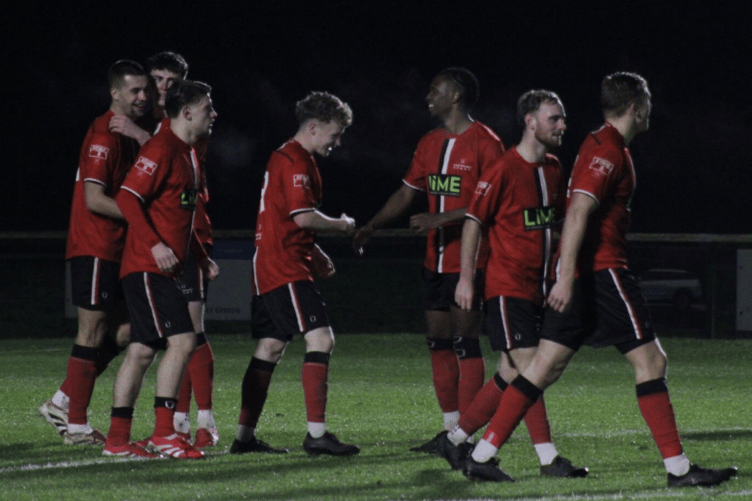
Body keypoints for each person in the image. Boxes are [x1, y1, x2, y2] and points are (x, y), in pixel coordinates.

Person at [458, 72, 737, 488]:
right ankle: (679, 469)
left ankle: (481, 454)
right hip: (603, 272)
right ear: (636, 108)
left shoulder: (598, 145)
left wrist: (563, 274)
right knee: (652, 362)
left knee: (542, 367)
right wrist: (566, 275)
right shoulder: (606, 150)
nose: (650, 111)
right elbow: (578, 213)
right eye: (649, 104)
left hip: (585, 274)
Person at [435, 90, 587, 478]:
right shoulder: (503, 169)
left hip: (538, 290)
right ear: (530, 122)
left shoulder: (554, 167)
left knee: (508, 374)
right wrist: (467, 279)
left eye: (563, 118)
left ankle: (453, 441)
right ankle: (547, 459)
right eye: (554, 118)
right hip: (507, 289)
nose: (562, 126)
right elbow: (473, 221)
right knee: (531, 370)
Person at [352, 68, 505, 452]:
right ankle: (449, 429)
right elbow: (406, 194)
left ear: (455, 96)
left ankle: (465, 436)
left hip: (469, 262)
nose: (427, 97)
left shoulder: (486, 143)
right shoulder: (429, 142)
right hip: (433, 262)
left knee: (464, 341)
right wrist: (372, 225)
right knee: (438, 342)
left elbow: (495, 204)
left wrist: (442, 218)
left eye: (435, 91)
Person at [230, 91, 359, 457]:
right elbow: (302, 217)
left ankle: (243, 438)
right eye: (335, 134)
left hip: (274, 260)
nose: (338, 142)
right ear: (314, 128)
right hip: (283, 266)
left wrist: (314, 249)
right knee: (321, 339)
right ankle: (316, 435)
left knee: (269, 347)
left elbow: (284, 217)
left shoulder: (287, 157)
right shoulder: (296, 161)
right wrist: (342, 224)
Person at [102, 80, 219, 459]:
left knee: (141, 350)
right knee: (184, 342)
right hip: (147, 266)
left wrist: (200, 256)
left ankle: (117, 440)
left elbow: (182, 216)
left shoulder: (189, 154)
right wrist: (155, 245)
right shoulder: (162, 147)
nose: (213, 114)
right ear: (187, 113)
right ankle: (166, 433)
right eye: (207, 108)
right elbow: (128, 196)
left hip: (160, 268)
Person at [39, 60, 151, 445]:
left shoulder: (128, 135)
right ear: (115, 93)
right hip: (96, 245)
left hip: (118, 249)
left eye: (145, 90)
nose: (143, 96)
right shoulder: (104, 136)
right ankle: (77, 425)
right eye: (134, 90)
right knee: (91, 332)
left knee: (129, 331)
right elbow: (94, 200)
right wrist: (146, 220)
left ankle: (62, 400)